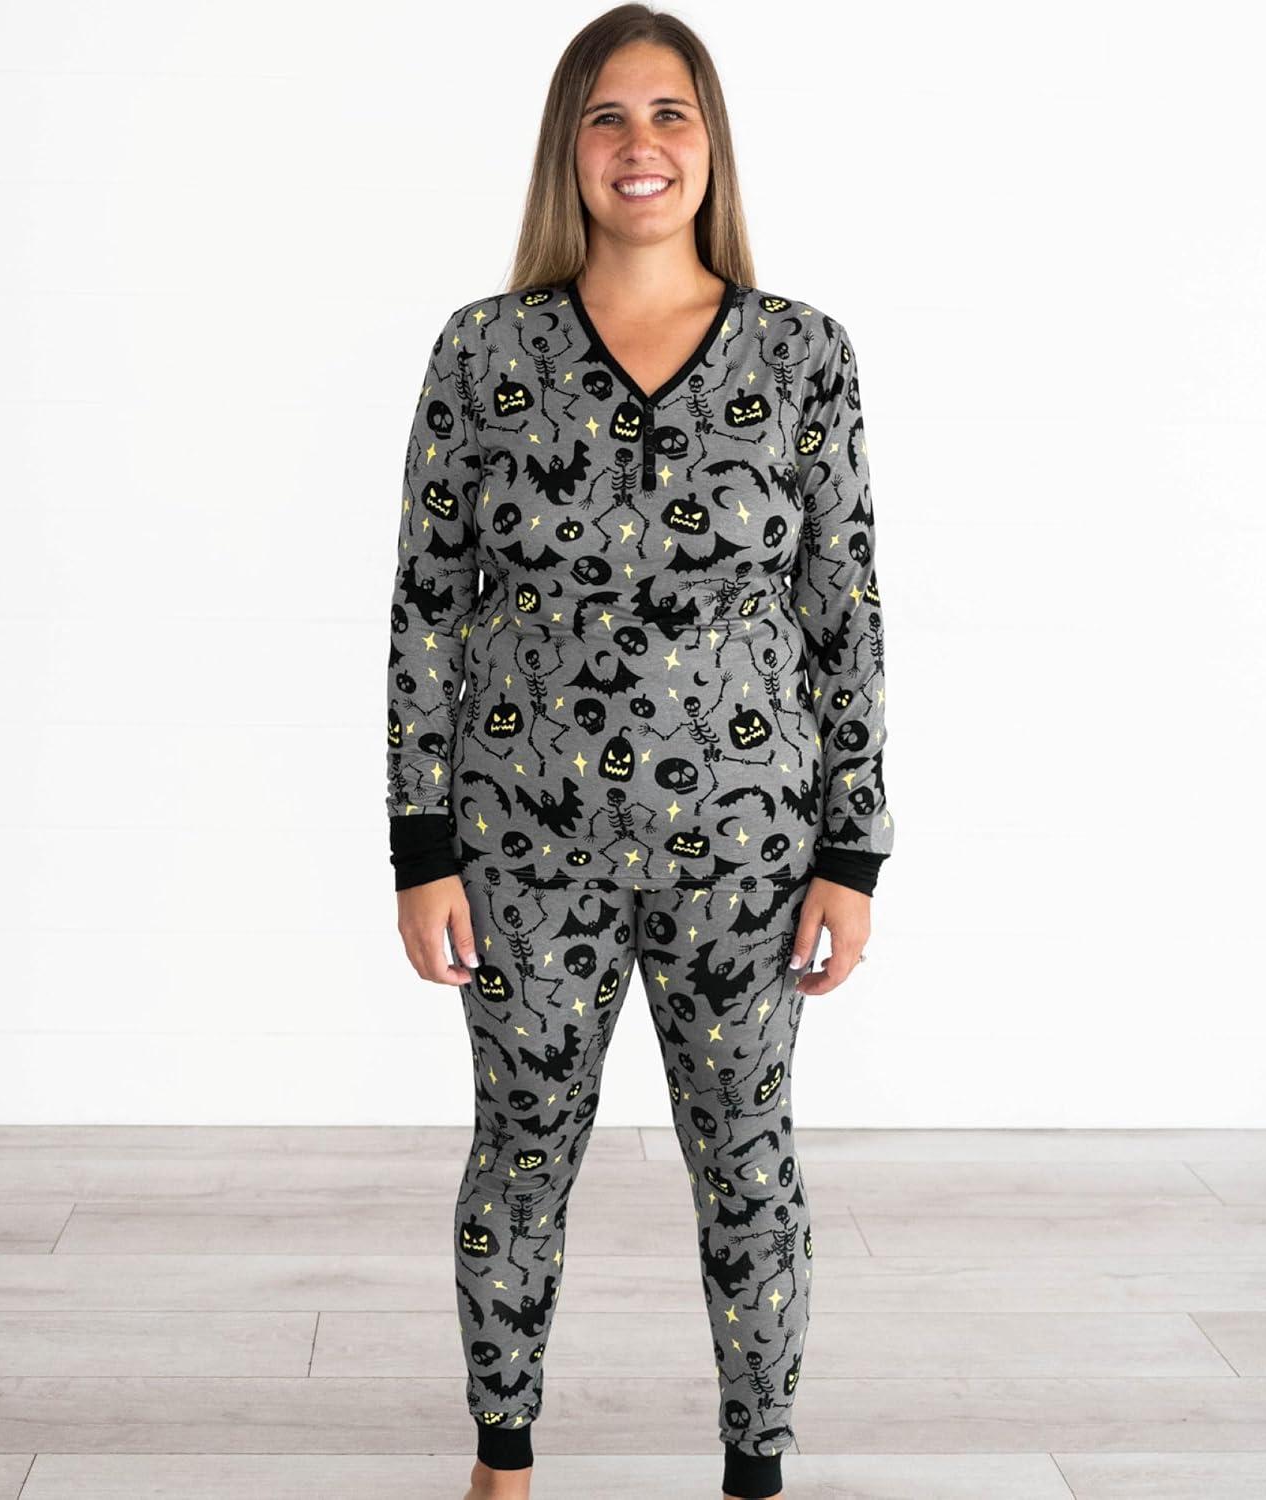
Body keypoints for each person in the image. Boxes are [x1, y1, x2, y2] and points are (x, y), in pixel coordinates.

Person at [386, 8, 893, 1498]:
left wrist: (853, 853)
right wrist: (422, 848)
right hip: (522, 847)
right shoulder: (483, 350)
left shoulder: (803, 354)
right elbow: (427, 610)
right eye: (607, 116)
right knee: (521, 1147)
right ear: (570, 148)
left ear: (711, 142)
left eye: (671, 114)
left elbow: (846, 613)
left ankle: (755, 1468)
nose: (641, 145)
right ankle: (502, 1462)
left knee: (747, 1158)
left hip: (750, 850)